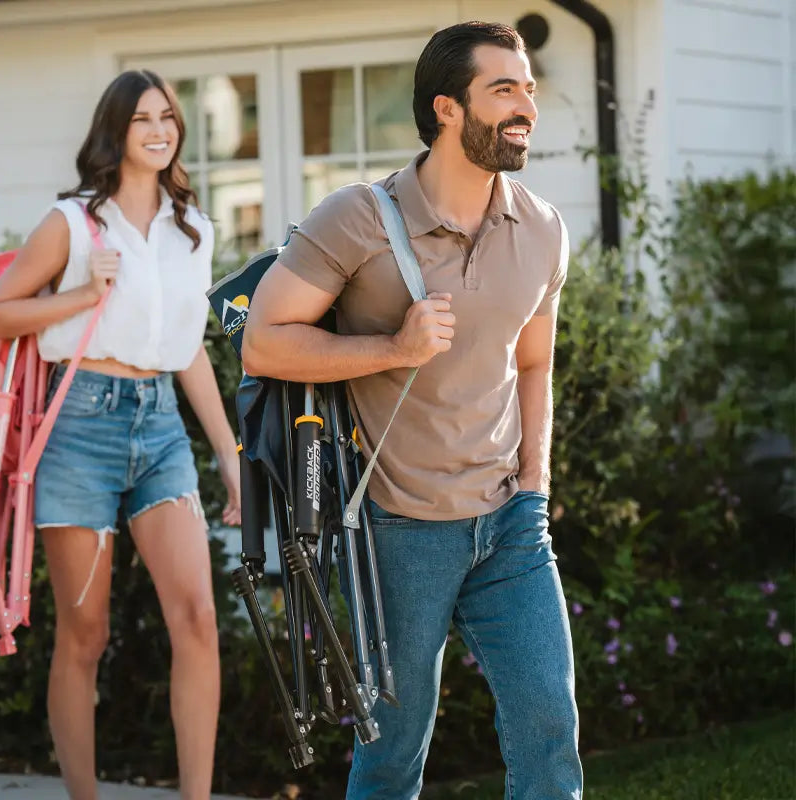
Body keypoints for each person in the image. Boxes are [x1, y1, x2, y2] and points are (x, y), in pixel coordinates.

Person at [242, 20, 583, 800]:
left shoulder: (543, 229)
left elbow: (535, 360)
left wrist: (536, 479)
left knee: (548, 729)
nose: (526, 103)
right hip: (397, 528)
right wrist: (395, 347)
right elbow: (262, 342)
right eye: (503, 89)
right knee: (394, 754)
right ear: (448, 109)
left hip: (510, 524)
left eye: (528, 87)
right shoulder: (358, 218)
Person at [0, 70, 240, 800]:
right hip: (78, 429)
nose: (160, 130)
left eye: (168, 117)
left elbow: (188, 346)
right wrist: (79, 294)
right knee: (86, 635)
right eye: (143, 119)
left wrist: (229, 457)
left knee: (197, 617)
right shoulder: (73, 222)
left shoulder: (193, 229)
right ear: (116, 130)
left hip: (160, 425)